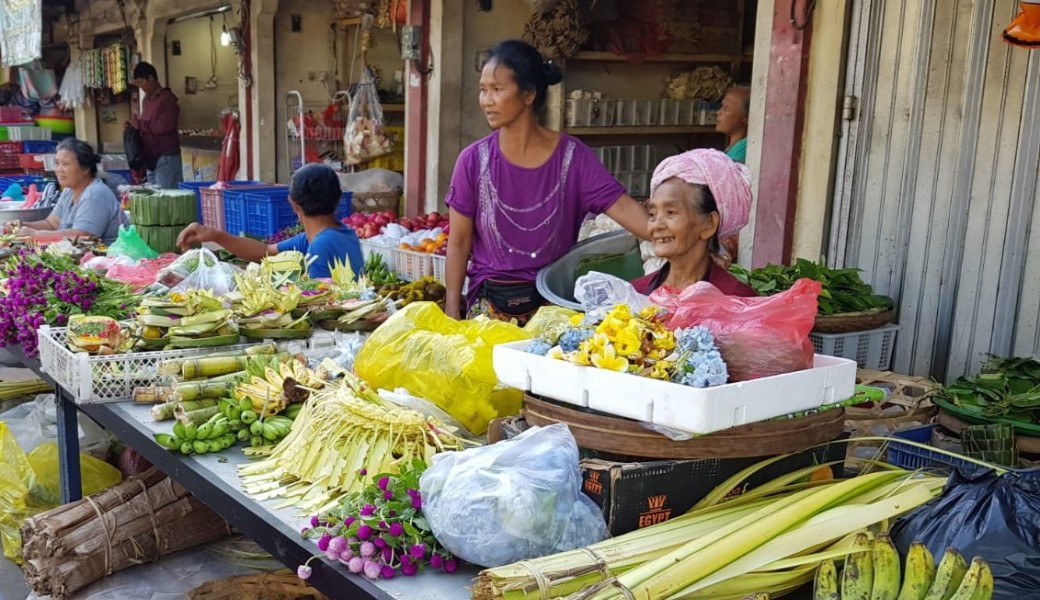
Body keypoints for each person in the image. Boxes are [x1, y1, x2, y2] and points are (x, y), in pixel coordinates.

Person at [445, 39, 649, 325]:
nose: (486, 100)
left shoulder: (573, 157)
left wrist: (682, 236)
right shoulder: (472, 160)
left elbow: (625, 210)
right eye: (482, 90)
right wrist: (452, 311)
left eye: (497, 89)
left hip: (554, 304)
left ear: (528, 94)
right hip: (489, 307)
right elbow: (459, 241)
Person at [176, 164, 363, 279]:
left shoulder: (321, 244)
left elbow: (321, 302)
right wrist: (215, 235)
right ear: (339, 199)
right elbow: (264, 251)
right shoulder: (337, 234)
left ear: (293, 203)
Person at [630, 148, 757, 297]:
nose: (656, 225)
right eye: (652, 214)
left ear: (709, 224)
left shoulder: (737, 300)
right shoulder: (635, 293)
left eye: (670, 213)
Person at [9, 138, 127, 244]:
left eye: (65, 164)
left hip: (108, 261)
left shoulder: (95, 194)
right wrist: (22, 226)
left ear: (85, 168)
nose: (59, 170)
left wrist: (35, 235)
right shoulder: (69, 191)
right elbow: (52, 224)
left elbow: (83, 236)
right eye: (57, 163)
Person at [127, 62, 182, 188]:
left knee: (167, 197)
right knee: (154, 197)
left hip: (166, 155)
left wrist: (140, 124)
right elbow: (145, 123)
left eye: (142, 82)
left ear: (151, 78)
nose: (141, 87)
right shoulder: (147, 100)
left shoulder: (166, 98)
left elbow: (164, 125)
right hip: (150, 157)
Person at [716, 85, 750, 164]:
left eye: (726, 108)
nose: (718, 112)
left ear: (746, 117)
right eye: (722, 106)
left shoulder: (740, 155)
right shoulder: (734, 149)